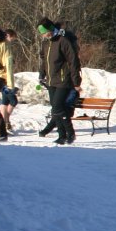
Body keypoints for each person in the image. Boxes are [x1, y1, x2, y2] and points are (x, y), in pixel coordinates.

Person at [37, 17, 82, 145]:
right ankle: (62, 135)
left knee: (57, 106)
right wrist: (42, 74)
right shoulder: (46, 44)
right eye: (41, 33)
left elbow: (73, 62)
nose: (43, 35)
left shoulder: (63, 41)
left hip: (64, 80)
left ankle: (70, 132)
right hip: (51, 80)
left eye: (44, 32)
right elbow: (44, 61)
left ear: (51, 29)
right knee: (56, 109)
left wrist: (76, 82)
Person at [0, 30, 20, 132]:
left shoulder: (3, 45)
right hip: (5, 78)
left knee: (5, 101)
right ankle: (5, 121)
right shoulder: (4, 46)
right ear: (8, 36)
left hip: (3, 78)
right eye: (12, 38)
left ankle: (5, 121)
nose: (12, 40)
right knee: (13, 100)